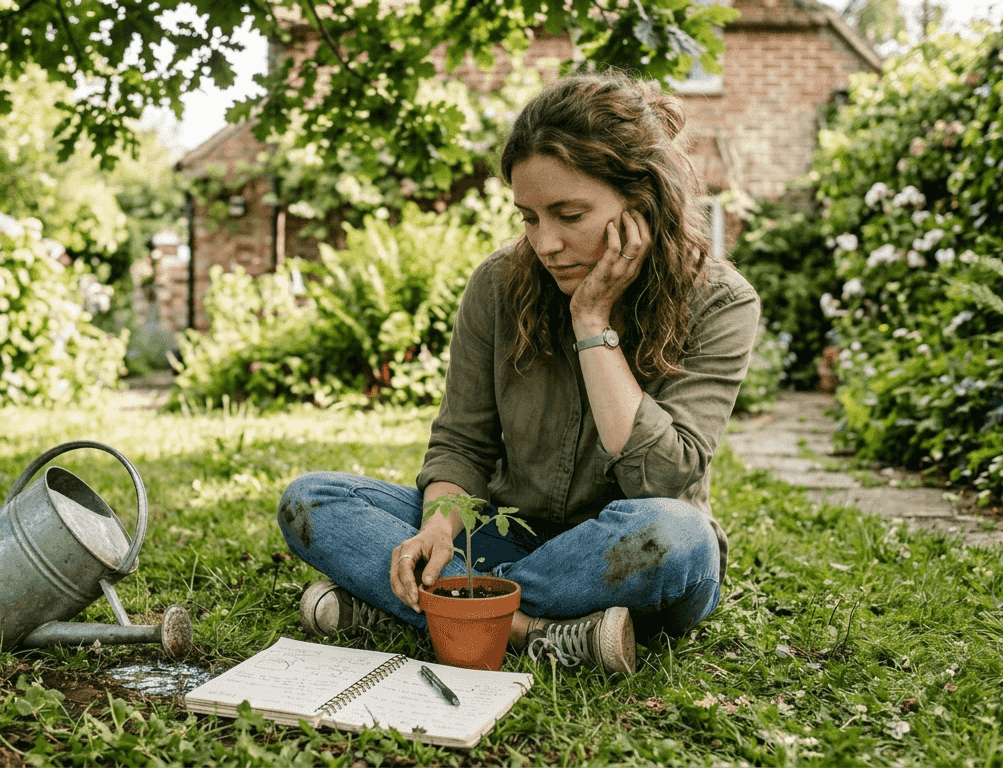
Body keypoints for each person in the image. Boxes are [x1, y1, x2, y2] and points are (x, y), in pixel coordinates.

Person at [277, 70, 761, 673]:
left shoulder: (720, 302)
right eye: (530, 218)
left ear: (641, 201)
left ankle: (426, 603)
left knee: (678, 535)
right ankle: (533, 630)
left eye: (569, 214)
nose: (545, 243)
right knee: (313, 500)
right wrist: (439, 527)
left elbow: (661, 480)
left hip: (623, 549)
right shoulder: (498, 284)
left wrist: (592, 323)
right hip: (509, 532)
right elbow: (462, 444)